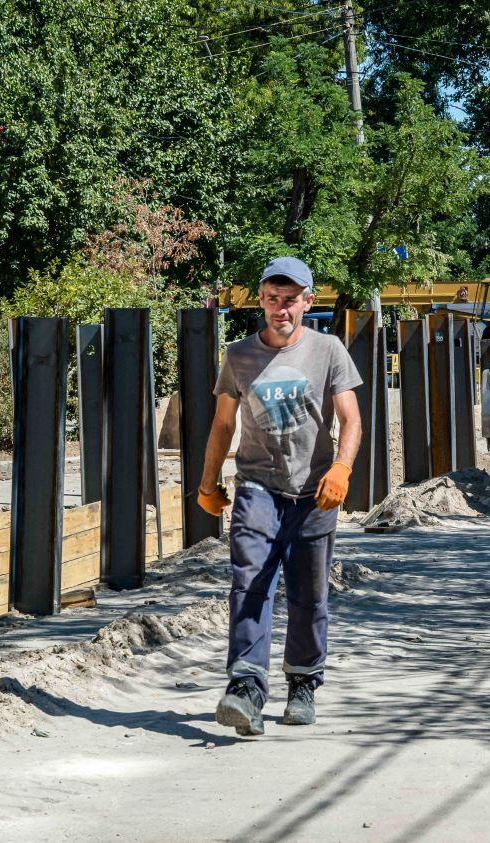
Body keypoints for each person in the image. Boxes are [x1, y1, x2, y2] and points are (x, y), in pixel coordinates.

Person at [196, 256, 363, 736]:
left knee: (310, 593)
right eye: (272, 299)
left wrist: (342, 468)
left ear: (308, 301)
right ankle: (246, 686)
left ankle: (303, 683)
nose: (280, 308)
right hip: (257, 486)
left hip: (315, 491)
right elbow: (223, 423)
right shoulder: (239, 356)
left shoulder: (328, 350)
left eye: (290, 300)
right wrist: (208, 483)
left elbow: (350, 419)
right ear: (262, 301)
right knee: (250, 580)